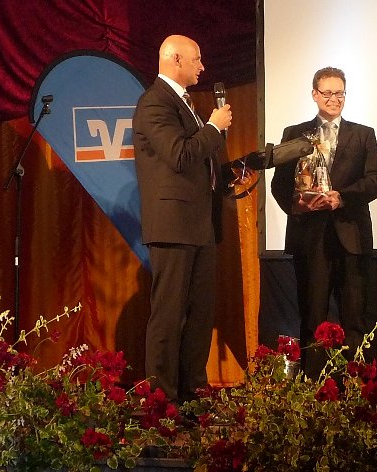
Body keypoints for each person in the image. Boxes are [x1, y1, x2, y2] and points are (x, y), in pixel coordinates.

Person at [133, 35, 232, 403]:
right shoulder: (155, 102)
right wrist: (213, 127)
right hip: (173, 225)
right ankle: (161, 400)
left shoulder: (184, 102)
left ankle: (193, 392)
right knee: (169, 313)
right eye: (197, 59)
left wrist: (230, 171)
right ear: (175, 59)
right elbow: (178, 155)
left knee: (200, 313)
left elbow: (199, 161)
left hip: (200, 224)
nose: (202, 67)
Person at [271, 67, 377, 378]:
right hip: (310, 238)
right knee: (312, 318)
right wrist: (299, 205)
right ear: (314, 94)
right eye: (327, 93)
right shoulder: (294, 134)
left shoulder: (363, 134)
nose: (334, 99)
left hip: (351, 237)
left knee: (354, 320)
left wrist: (342, 197)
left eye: (340, 93)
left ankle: (355, 389)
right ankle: (311, 389)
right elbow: (279, 185)